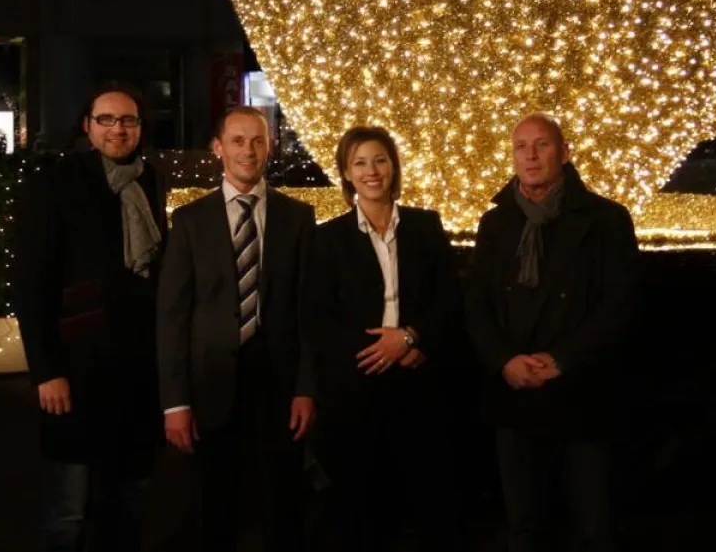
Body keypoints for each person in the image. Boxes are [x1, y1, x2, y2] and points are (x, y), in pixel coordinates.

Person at [465, 113, 639, 552]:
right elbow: (476, 306)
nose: (530, 156)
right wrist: (505, 361)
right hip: (515, 393)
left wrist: (562, 361)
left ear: (564, 152)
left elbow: (618, 306)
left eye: (541, 145)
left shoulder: (607, 221)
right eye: (521, 146)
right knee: (524, 527)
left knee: (593, 525)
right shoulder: (496, 223)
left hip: (582, 390)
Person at [12, 82, 167, 552]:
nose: (118, 129)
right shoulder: (56, 181)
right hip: (78, 368)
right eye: (107, 119)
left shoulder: (149, 180)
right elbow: (31, 282)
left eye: (128, 120)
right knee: (69, 509)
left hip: (138, 370)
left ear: (140, 128)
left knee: (130, 499)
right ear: (87, 125)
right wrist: (47, 370)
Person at [157, 106, 317, 552]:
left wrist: (306, 387)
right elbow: (172, 317)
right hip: (210, 386)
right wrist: (175, 403)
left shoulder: (298, 217)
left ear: (270, 146)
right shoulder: (189, 221)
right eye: (238, 140)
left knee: (283, 509)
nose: (249, 150)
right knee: (214, 508)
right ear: (218, 148)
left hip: (280, 386)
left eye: (258, 141)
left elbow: (307, 314)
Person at [309, 126, 462, 552]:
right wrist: (377, 351)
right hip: (357, 388)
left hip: (419, 381)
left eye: (379, 160)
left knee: (431, 505)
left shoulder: (425, 226)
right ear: (345, 172)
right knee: (362, 511)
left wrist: (414, 339)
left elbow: (449, 300)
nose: (371, 171)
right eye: (360, 162)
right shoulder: (327, 238)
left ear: (393, 167)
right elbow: (318, 319)